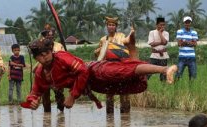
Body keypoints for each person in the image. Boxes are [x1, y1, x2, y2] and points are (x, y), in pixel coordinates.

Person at [21, 38, 177, 110]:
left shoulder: (61, 57)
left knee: (122, 71)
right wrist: (32, 102)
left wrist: (72, 96)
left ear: (51, 51)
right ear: (36, 58)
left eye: (47, 53)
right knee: (139, 86)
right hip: (93, 85)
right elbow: (35, 92)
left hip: (94, 70)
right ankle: (133, 49)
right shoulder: (41, 73)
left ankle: (164, 70)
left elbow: (82, 71)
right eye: (40, 56)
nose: (45, 57)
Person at [94, 16, 135, 114]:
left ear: (116, 27)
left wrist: (132, 33)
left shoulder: (121, 36)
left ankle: (125, 118)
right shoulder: (103, 39)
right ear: (107, 26)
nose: (111, 27)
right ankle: (110, 120)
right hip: (108, 69)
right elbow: (98, 54)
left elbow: (129, 43)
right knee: (109, 93)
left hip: (121, 68)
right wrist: (105, 47)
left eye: (113, 25)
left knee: (124, 92)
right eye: (109, 25)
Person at [175, 16, 198, 81]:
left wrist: (185, 41)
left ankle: (191, 90)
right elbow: (179, 44)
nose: (187, 24)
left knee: (193, 75)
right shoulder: (180, 31)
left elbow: (195, 44)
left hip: (192, 57)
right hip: (182, 57)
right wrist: (190, 42)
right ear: (184, 23)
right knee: (178, 74)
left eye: (188, 22)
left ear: (190, 23)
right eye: (186, 22)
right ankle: (176, 88)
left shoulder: (194, 32)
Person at [148, 17, 170, 82]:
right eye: (160, 25)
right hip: (154, 56)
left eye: (163, 25)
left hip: (164, 56)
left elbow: (165, 42)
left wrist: (160, 33)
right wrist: (161, 42)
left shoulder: (166, 33)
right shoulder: (152, 32)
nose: (162, 26)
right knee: (149, 72)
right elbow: (152, 44)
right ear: (156, 25)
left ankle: (163, 89)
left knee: (163, 73)